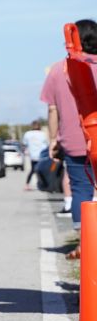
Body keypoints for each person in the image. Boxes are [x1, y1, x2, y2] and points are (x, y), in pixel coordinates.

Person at [42, 18, 97, 236]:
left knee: (81, 189)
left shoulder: (59, 69)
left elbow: (53, 109)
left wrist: (53, 139)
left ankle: (84, 243)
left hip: (75, 141)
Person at [22, 120, 50, 191]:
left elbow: (24, 144)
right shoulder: (42, 134)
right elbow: (47, 144)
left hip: (33, 155)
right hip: (42, 155)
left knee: (33, 170)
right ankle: (45, 184)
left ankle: (27, 184)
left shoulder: (27, 134)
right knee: (42, 170)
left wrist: (26, 151)